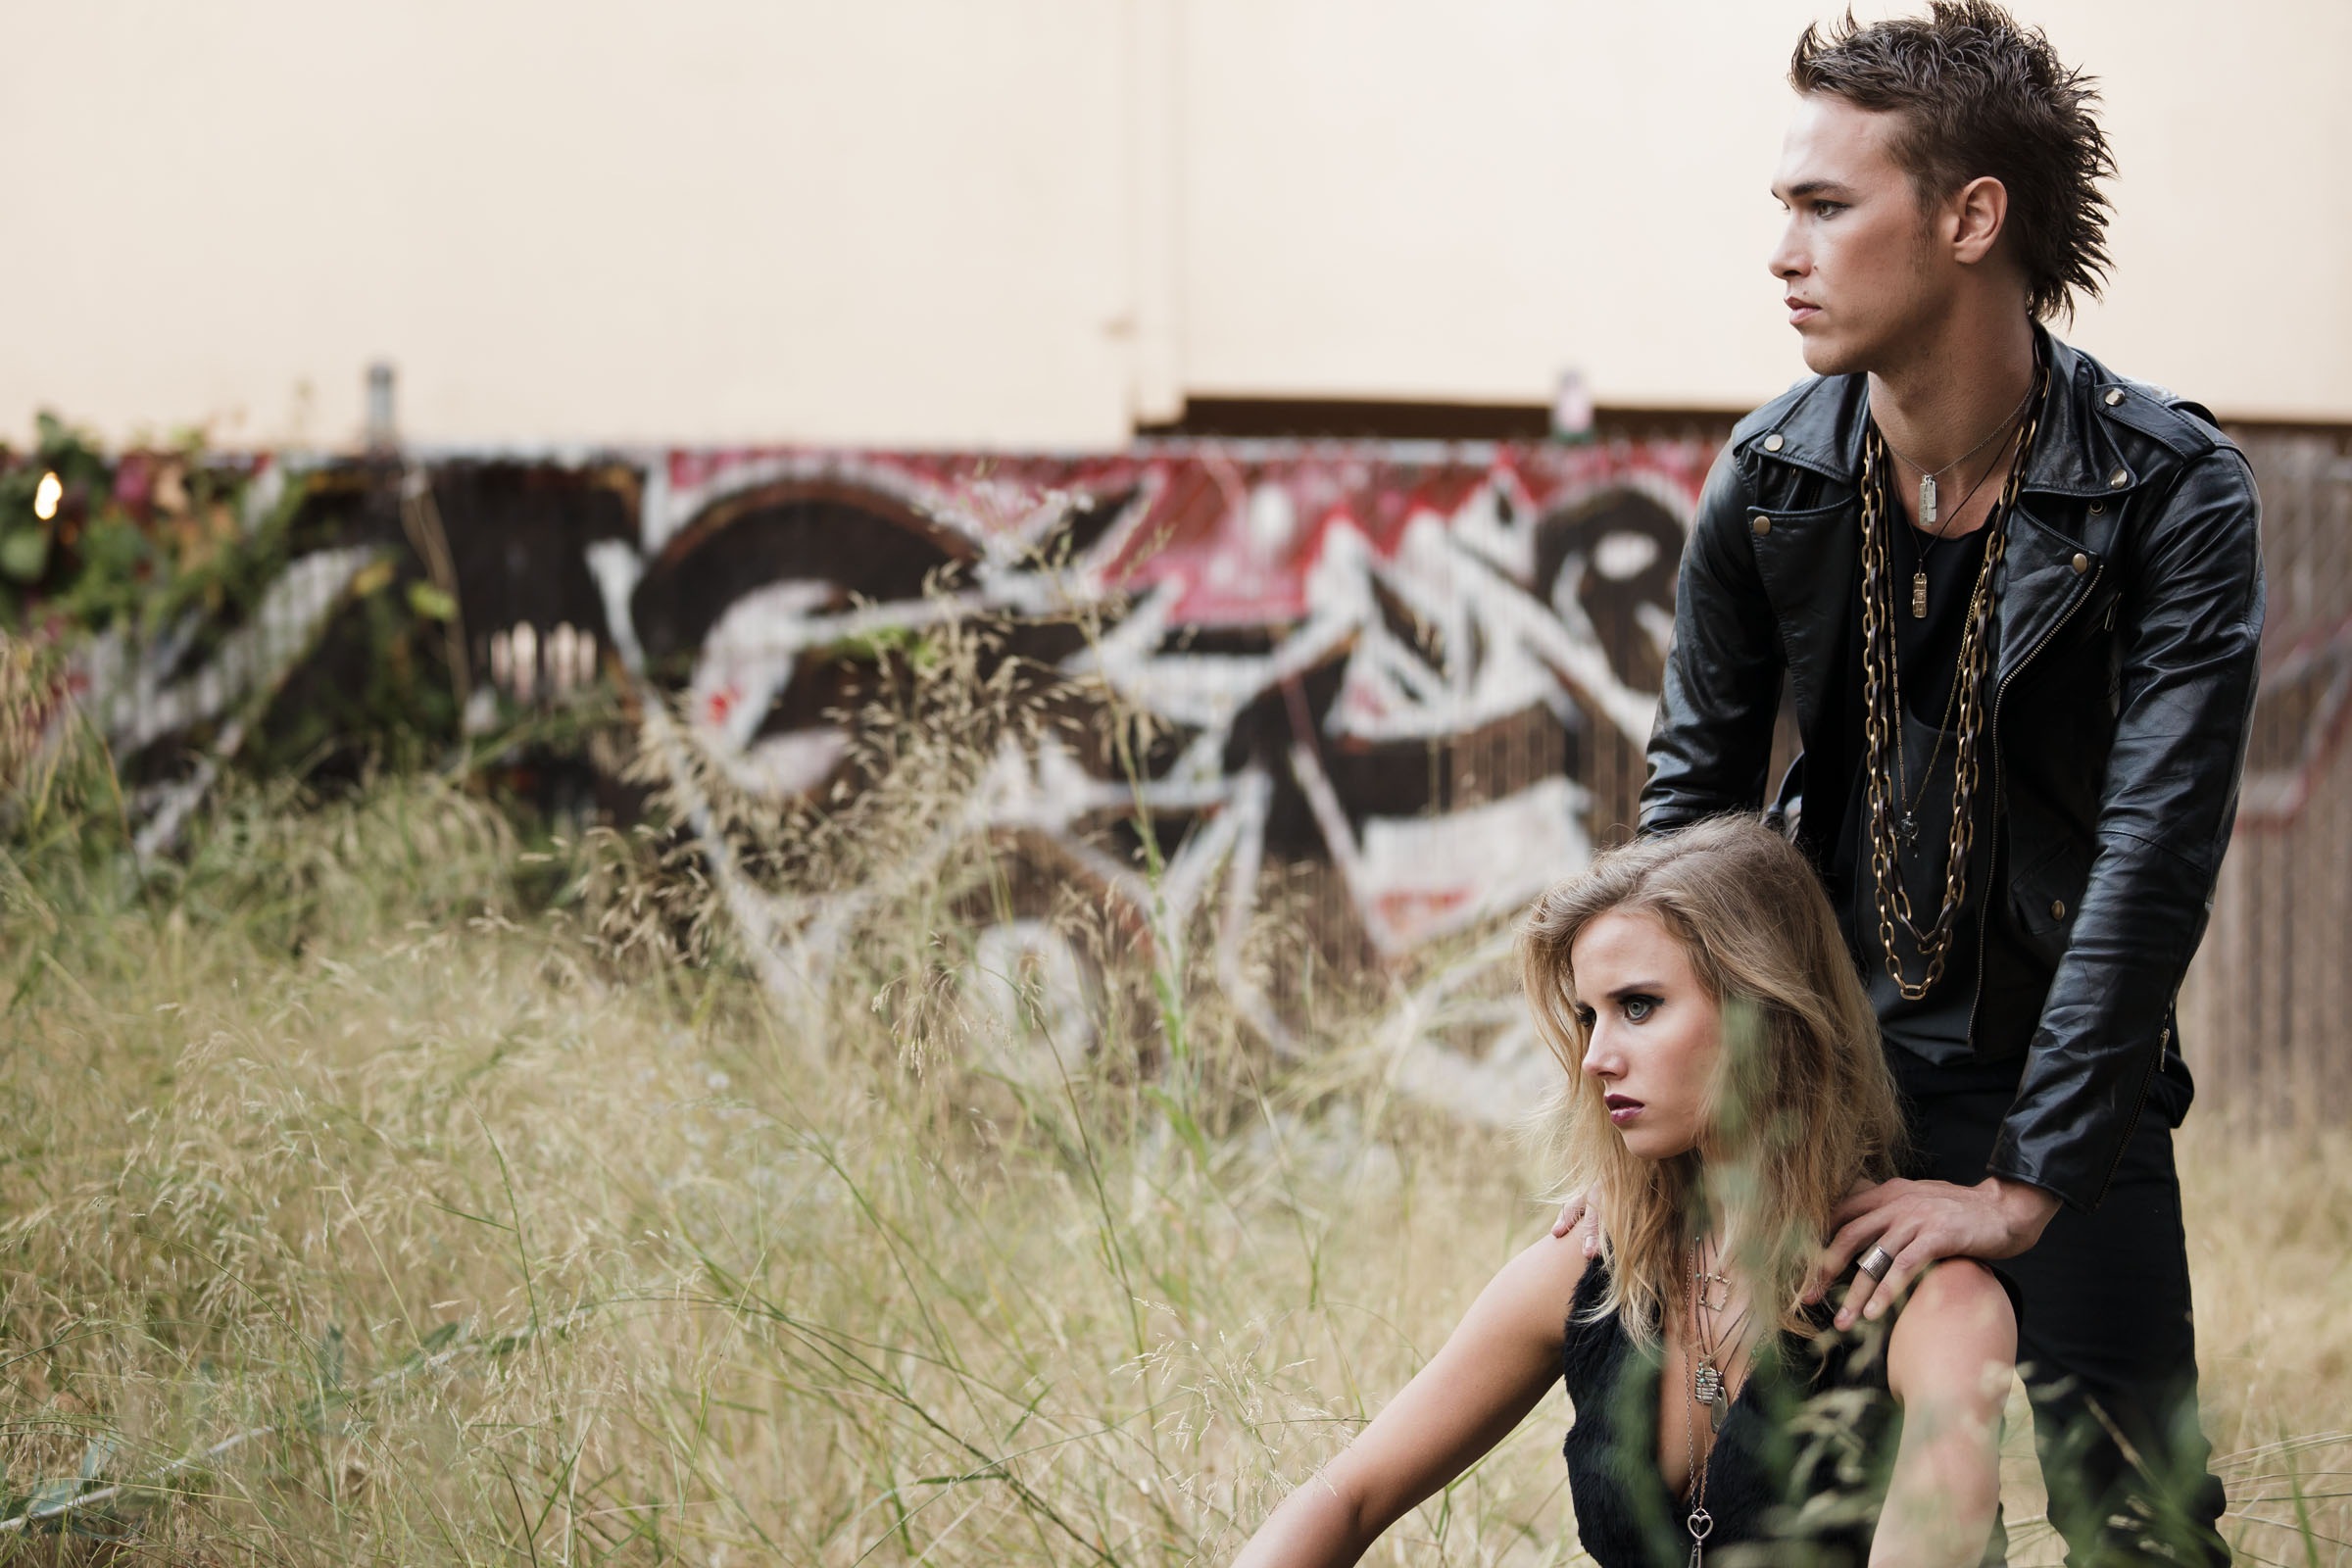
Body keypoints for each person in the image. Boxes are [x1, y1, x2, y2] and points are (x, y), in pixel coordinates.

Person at [1599, 6, 2263, 1563]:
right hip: (1829, 1076)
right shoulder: (1775, 478)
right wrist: (1667, 1122)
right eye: (1784, 204)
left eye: (1827, 206)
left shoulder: (2168, 494)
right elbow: (1691, 819)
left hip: (2070, 1080)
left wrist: (2028, 1180)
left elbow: (2153, 857)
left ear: (1972, 219)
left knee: (2137, 1522)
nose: (1783, 251)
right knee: (1795, 1513)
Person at [1238, 818, 2018, 1568]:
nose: (1595, 1057)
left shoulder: (1940, 1307)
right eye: (1589, 1015)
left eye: (1638, 1006)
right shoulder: (1601, 1265)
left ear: (1766, 1011)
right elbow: (1348, 1497)